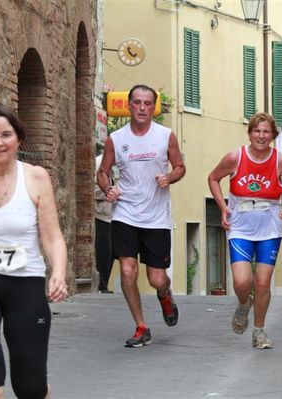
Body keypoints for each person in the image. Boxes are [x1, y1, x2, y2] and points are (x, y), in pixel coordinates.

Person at [0, 103, 68, 399]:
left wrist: (58, 274)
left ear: (18, 139)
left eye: (6, 135)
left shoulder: (36, 178)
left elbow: (52, 236)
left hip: (26, 284)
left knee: (30, 387)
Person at [208, 112, 282, 349]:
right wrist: (222, 208)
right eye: (257, 131)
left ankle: (259, 331)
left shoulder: (280, 161)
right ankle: (244, 304)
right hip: (240, 223)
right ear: (250, 133)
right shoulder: (235, 157)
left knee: (263, 283)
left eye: (266, 132)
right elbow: (213, 178)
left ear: (272, 136)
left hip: (269, 225)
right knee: (242, 281)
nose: (261, 136)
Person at [98, 84, 185, 348]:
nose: (142, 108)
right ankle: (141, 326)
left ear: (154, 107)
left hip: (156, 216)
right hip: (125, 213)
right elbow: (103, 172)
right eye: (137, 102)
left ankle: (165, 294)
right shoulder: (117, 138)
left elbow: (180, 167)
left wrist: (169, 177)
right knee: (127, 270)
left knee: (156, 278)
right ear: (129, 106)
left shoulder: (165, 136)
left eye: (148, 103)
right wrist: (108, 189)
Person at [94, 152, 114, 293]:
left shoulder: (116, 165)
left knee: (111, 252)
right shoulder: (97, 164)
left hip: (112, 216)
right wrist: (109, 191)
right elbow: (92, 189)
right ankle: (102, 284)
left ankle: (105, 283)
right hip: (100, 215)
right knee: (103, 251)